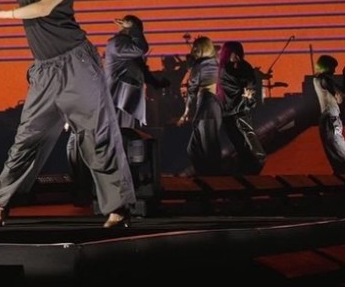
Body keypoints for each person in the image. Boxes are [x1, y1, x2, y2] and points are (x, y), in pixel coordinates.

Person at [0, 0, 136, 229]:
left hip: (76, 64)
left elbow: (44, 8)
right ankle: (1, 204)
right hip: (45, 72)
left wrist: (3, 13)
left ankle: (117, 208)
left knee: (97, 134)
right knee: (28, 138)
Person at [66, 14, 168, 209]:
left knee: (126, 144)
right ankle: (107, 189)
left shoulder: (127, 49)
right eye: (139, 30)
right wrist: (135, 27)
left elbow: (141, 68)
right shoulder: (117, 43)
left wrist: (156, 82)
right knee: (118, 143)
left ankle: (124, 187)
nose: (141, 34)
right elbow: (141, 48)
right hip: (117, 101)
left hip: (126, 102)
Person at [217, 41, 266, 175]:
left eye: (238, 52)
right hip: (229, 111)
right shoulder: (225, 68)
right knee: (238, 142)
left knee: (242, 142)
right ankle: (248, 166)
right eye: (234, 52)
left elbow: (250, 86)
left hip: (238, 111)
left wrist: (246, 103)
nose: (237, 55)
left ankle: (250, 166)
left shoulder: (241, 67)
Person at [176, 36, 223, 175]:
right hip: (215, 104)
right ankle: (209, 177)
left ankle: (211, 180)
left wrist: (186, 112)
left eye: (196, 48)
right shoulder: (217, 62)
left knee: (206, 147)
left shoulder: (199, 66)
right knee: (200, 147)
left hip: (207, 103)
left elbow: (191, 90)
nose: (193, 51)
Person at [312, 54, 345, 175]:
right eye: (333, 68)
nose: (334, 71)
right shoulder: (324, 79)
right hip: (331, 120)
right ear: (327, 67)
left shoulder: (319, 79)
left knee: (342, 163)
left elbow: (339, 97)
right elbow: (343, 93)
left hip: (330, 120)